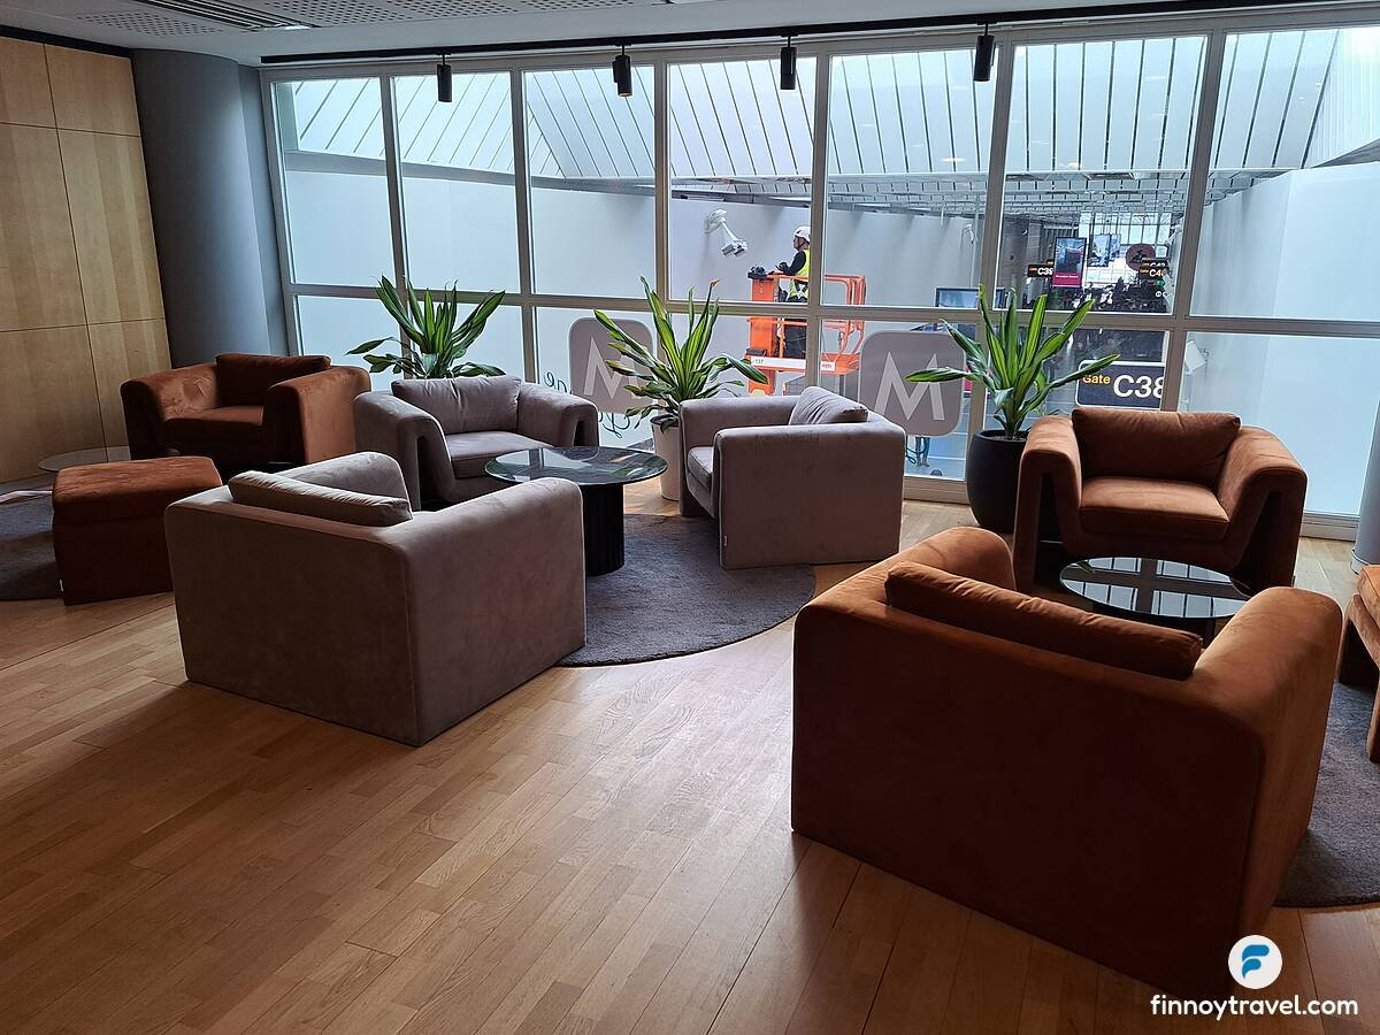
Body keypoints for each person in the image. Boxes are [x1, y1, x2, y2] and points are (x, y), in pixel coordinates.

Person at [777, 225, 810, 358]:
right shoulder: (813, 256)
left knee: (790, 327)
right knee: (802, 327)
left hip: (798, 297)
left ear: (803, 240)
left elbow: (791, 272)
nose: (794, 241)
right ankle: (803, 352)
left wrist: (784, 267)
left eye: (797, 239)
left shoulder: (801, 255)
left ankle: (794, 353)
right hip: (807, 298)